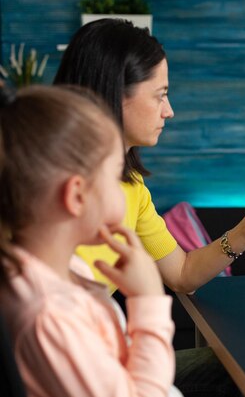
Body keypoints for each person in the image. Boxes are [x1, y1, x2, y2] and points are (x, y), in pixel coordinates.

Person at [54, 19, 245, 397]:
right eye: (160, 95)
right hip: (85, 376)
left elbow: (183, 273)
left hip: (111, 363)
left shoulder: (132, 188)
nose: (169, 110)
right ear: (114, 94)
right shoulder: (49, 192)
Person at [0, 85, 179, 396]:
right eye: (115, 175)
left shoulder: (67, 268)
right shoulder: (51, 318)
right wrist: (147, 299)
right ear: (77, 195)